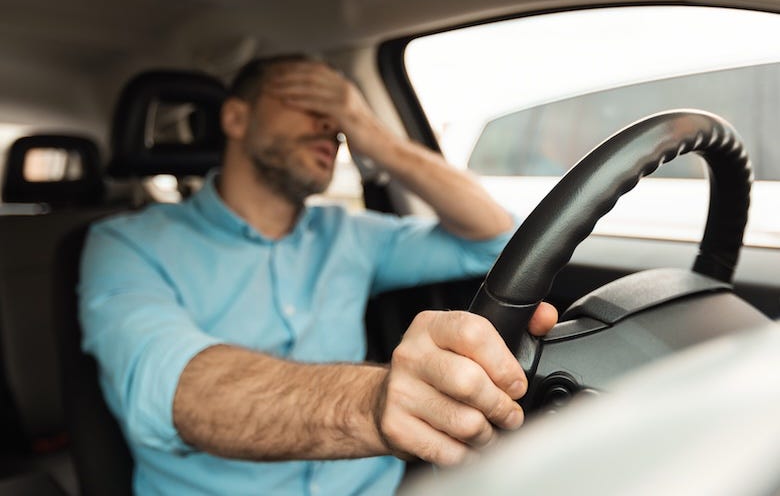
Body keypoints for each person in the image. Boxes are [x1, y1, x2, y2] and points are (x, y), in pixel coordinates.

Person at [79, 54, 557, 495]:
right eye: (310, 102)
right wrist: (373, 402)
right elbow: (171, 386)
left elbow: (497, 240)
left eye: (340, 116)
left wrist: (376, 137)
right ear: (236, 118)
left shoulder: (351, 234)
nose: (331, 126)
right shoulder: (125, 244)